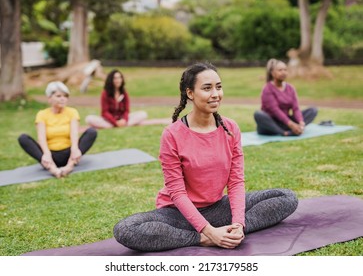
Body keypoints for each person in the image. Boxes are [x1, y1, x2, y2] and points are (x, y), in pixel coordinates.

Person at [113, 62, 298, 252]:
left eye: (218, 87)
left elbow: (235, 182)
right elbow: (176, 193)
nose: (215, 94)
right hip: (179, 214)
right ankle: (201, 237)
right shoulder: (172, 134)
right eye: (207, 88)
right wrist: (207, 233)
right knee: (126, 229)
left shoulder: (231, 128)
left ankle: (229, 233)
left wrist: (238, 224)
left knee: (286, 197)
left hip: (217, 208)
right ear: (190, 93)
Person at [18, 81, 97, 178]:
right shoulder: (42, 114)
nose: (63, 99)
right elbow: (41, 138)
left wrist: (75, 149)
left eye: (65, 96)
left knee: (91, 132)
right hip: (50, 155)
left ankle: (69, 166)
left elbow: (74, 133)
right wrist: (46, 154)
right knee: (23, 138)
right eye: (59, 96)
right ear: (49, 98)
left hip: (69, 154)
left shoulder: (72, 112)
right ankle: (52, 169)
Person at [85, 69, 171, 129]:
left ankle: (121, 125)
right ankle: (116, 125)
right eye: (115, 78)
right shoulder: (105, 93)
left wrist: (124, 120)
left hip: (123, 120)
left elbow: (126, 110)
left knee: (143, 114)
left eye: (119, 78)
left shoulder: (124, 93)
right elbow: (105, 112)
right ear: (111, 80)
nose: (118, 80)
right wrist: (115, 122)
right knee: (89, 119)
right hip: (110, 120)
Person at [254, 59, 318, 136]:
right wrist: (291, 124)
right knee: (258, 114)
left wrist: (301, 122)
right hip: (271, 123)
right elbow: (275, 111)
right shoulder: (267, 88)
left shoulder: (290, 88)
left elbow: (295, 108)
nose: (283, 72)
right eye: (280, 70)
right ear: (272, 73)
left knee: (313, 110)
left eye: (285, 70)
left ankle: (298, 128)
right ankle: (285, 133)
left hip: (285, 122)